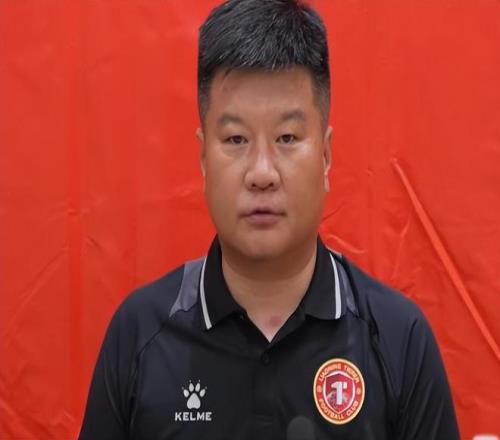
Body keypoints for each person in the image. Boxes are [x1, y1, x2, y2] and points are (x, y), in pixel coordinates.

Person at [79, 0, 460, 439]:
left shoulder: (397, 338)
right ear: (203, 158)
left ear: (325, 156)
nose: (262, 173)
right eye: (236, 139)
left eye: (287, 137)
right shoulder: (140, 334)